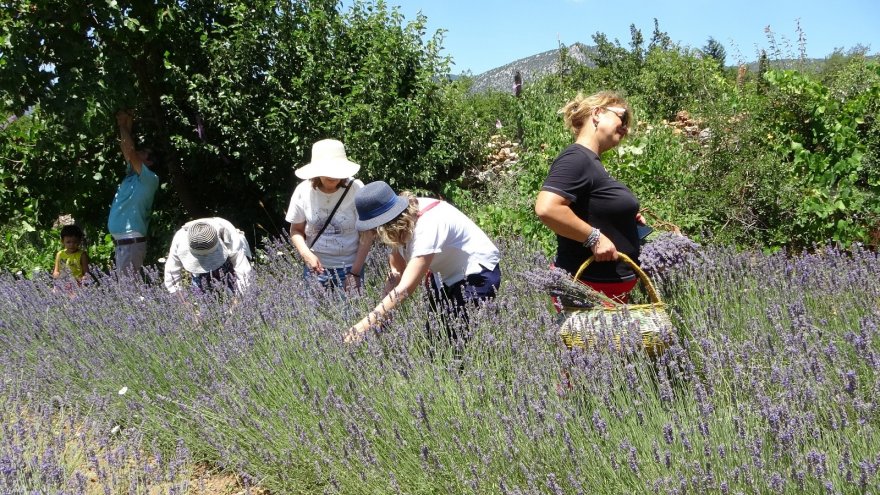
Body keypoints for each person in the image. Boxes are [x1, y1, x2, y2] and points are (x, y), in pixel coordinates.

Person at [344, 181, 501, 344]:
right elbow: (397, 269)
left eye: (375, 229)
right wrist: (382, 316)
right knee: (436, 336)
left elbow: (405, 288)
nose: (375, 235)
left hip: (477, 272)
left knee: (455, 340)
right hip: (444, 274)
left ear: (386, 224)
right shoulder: (400, 219)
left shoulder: (427, 226)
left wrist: (365, 325)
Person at [535, 91, 646, 304]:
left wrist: (623, 218)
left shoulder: (590, 161)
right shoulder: (576, 158)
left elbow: (589, 208)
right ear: (597, 114)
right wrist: (594, 237)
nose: (626, 128)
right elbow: (547, 208)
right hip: (590, 290)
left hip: (604, 292)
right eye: (622, 118)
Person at [286, 139, 373, 291]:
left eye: (337, 170)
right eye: (327, 170)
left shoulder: (356, 189)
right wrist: (306, 255)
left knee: (352, 314)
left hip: (350, 267)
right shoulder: (303, 191)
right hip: (315, 269)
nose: (333, 176)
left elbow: (367, 234)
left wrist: (355, 272)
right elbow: (296, 230)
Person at [108, 110, 159, 276]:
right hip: (125, 243)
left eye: (143, 152)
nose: (139, 151)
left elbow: (130, 151)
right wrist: (126, 124)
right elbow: (126, 148)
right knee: (128, 291)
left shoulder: (149, 178)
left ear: (149, 162)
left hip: (130, 242)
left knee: (128, 293)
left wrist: (123, 124)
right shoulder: (132, 174)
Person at [164, 217, 253, 295]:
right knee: (201, 289)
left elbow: (243, 272)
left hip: (228, 262)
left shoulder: (229, 237)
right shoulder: (180, 240)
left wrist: (237, 301)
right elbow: (171, 274)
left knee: (232, 283)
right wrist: (186, 305)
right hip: (202, 277)